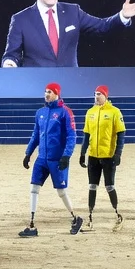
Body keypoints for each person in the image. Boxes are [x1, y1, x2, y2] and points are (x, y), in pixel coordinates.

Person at [1, 0, 135, 68]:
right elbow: (11, 54)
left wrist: (122, 15)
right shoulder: (20, 19)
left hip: (69, 85)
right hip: (36, 87)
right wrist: (9, 64)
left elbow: (102, 26)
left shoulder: (73, 11)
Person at [19, 82, 83, 237]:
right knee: (34, 188)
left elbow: (71, 136)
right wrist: (28, 153)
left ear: (57, 93)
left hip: (57, 159)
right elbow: (36, 135)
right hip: (42, 158)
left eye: (50, 91)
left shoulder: (65, 112)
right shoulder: (40, 112)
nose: (46, 94)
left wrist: (67, 155)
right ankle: (32, 225)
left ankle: (75, 218)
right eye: (45, 91)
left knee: (61, 191)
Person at [79, 86, 126, 232]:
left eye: (99, 94)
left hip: (108, 156)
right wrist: (82, 153)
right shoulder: (90, 112)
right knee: (92, 186)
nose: (96, 96)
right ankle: (90, 217)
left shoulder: (114, 112)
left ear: (105, 95)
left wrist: (118, 153)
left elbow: (121, 134)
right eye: (95, 94)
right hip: (93, 155)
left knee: (109, 186)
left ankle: (118, 215)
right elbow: (86, 135)